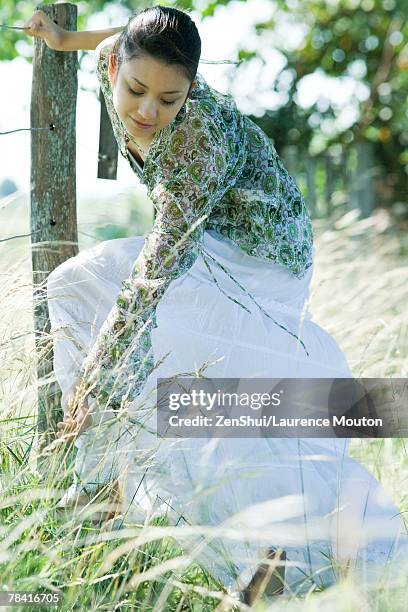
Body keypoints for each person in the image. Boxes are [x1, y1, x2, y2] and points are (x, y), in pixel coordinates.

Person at [25, 5, 407, 601]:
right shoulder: (112, 57)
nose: (149, 111)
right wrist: (66, 38)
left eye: (171, 99)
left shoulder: (199, 146)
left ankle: (111, 485)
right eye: (136, 89)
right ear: (118, 64)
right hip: (212, 240)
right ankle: (124, 494)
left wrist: (95, 376)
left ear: (192, 90)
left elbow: (153, 276)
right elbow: (114, 37)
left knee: (108, 305)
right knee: (181, 383)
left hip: (263, 259)